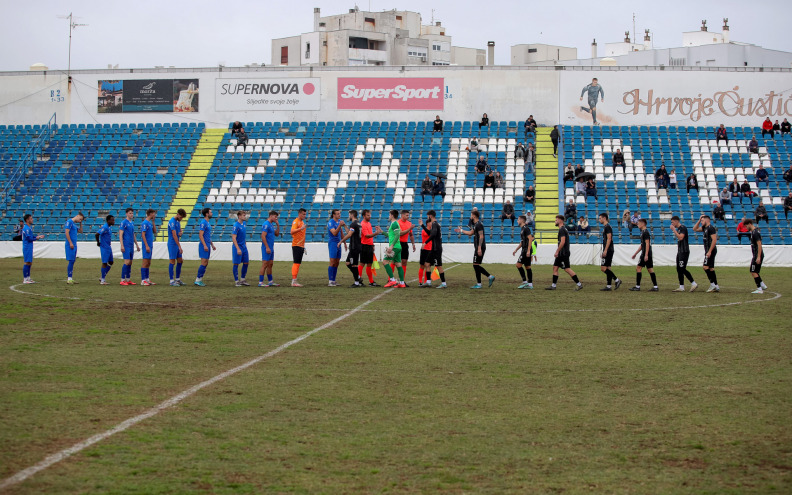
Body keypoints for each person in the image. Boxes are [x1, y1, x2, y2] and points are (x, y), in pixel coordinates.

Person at [457, 210, 494, 289]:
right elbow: (470, 233)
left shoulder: (479, 224)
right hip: (478, 247)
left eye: (471, 215)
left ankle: (484, 280)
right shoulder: (476, 225)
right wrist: (461, 230)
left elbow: (481, 236)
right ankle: (487, 278)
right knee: (476, 265)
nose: (470, 216)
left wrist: (479, 247)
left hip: (479, 247)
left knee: (475, 265)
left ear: (474, 216)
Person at [546, 215, 583, 290]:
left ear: (560, 221)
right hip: (562, 253)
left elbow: (562, 242)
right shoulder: (563, 229)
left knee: (567, 269)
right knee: (555, 267)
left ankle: (579, 284)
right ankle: (553, 285)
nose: (555, 221)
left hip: (563, 253)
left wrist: (557, 251)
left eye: (556, 220)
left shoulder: (562, 229)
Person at [629, 219, 658, 292]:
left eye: (638, 223)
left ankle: (637, 286)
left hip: (646, 253)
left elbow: (647, 243)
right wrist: (635, 253)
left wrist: (646, 255)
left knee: (638, 268)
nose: (637, 224)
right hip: (647, 253)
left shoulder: (645, 232)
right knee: (650, 269)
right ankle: (655, 286)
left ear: (643, 224)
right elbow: (642, 245)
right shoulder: (643, 232)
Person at [669, 216, 697, 292]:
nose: (671, 224)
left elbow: (681, 237)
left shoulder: (682, 228)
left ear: (676, 221)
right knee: (678, 268)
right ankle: (681, 286)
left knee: (682, 268)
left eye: (672, 222)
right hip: (680, 251)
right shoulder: (679, 229)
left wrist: (674, 230)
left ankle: (693, 283)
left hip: (684, 251)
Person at [420, 210, 446, 289]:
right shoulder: (436, 224)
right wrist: (423, 226)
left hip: (436, 249)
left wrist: (425, 243)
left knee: (438, 266)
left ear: (430, 216)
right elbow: (430, 233)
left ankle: (444, 283)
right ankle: (428, 282)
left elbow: (433, 235)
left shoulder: (434, 224)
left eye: (428, 216)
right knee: (427, 264)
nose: (427, 218)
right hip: (433, 248)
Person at [693, 215, 720, 293]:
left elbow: (714, 240)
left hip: (710, 251)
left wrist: (709, 251)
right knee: (711, 268)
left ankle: (712, 285)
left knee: (705, 267)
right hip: (708, 251)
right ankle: (716, 286)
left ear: (707, 220)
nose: (701, 222)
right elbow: (694, 229)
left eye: (702, 220)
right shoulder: (705, 228)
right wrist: (699, 220)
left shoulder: (711, 228)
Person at [337, 210, 363, 288]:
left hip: (354, 247)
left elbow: (349, 234)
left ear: (352, 215)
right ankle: (358, 277)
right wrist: (344, 225)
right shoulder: (358, 224)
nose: (349, 216)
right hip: (357, 246)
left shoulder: (353, 224)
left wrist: (341, 241)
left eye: (349, 214)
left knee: (354, 265)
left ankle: (357, 282)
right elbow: (350, 232)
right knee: (348, 263)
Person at [382, 209, 407, 289]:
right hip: (398, 247)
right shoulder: (394, 224)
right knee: (398, 264)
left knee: (385, 262)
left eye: (389, 215)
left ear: (392, 215)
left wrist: (391, 246)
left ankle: (392, 280)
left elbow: (397, 235)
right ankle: (402, 283)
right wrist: (382, 232)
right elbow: (391, 235)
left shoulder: (395, 224)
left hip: (395, 247)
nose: (389, 216)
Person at [597, 213, 621, 291]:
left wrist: (605, 250)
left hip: (608, 250)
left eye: (600, 218)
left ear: (604, 218)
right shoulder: (606, 227)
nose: (599, 220)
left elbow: (609, 239)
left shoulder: (607, 227)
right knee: (608, 268)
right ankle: (609, 286)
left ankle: (617, 280)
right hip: (609, 249)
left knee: (603, 268)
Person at [359, 209, 383, 287]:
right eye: (368, 215)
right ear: (364, 216)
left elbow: (370, 236)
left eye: (370, 215)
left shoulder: (369, 224)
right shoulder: (362, 224)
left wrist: (372, 245)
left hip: (369, 246)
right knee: (362, 263)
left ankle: (371, 281)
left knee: (369, 264)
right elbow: (367, 235)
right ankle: (358, 280)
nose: (369, 216)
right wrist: (376, 233)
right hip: (364, 246)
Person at [512, 215, 536, 289]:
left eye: (518, 220)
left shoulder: (526, 228)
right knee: (527, 267)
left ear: (522, 220)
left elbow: (530, 239)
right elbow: (522, 242)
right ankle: (530, 284)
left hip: (526, 250)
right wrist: (516, 249)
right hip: (524, 249)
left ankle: (525, 282)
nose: (517, 221)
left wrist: (528, 250)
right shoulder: (522, 229)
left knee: (518, 265)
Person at [118, 207, 141, 286]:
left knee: (130, 262)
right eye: (130, 213)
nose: (131, 214)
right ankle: (122, 280)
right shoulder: (124, 222)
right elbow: (120, 234)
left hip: (131, 245)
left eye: (132, 213)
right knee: (127, 262)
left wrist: (137, 245)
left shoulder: (132, 223)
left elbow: (133, 234)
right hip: (126, 245)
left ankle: (128, 279)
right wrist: (122, 245)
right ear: (126, 214)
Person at [258, 210, 280, 287]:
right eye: (275, 217)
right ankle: (260, 282)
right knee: (265, 264)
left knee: (270, 264)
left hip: (271, 247)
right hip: (266, 247)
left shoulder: (271, 225)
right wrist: (267, 247)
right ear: (271, 216)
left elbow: (277, 234)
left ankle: (270, 281)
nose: (276, 218)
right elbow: (263, 236)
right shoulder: (266, 224)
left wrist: (278, 225)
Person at [745, 219, 768, 294]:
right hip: (756, 254)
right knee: (755, 271)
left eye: (746, 226)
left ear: (749, 224)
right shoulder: (753, 232)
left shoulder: (755, 233)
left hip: (757, 255)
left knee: (753, 271)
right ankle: (762, 285)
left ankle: (759, 289)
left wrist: (758, 257)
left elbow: (759, 244)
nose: (746, 227)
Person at [195, 207, 216, 287]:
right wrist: (204, 245)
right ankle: (198, 280)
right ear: (207, 214)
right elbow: (200, 235)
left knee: (206, 263)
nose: (211, 213)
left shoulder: (207, 223)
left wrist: (212, 244)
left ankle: (199, 279)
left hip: (207, 244)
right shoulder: (203, 222)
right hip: (204, 245)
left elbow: (207, 236)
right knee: (203, 262)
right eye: (210, 212)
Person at [21, 213, 45, 283]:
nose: (32, 220)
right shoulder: (26, 229)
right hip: (27, 247)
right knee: (27, 262)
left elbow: (32, 237)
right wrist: (37, 238)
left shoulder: (29, 228)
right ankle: (25, 279)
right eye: (31, 218)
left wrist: (38, 237)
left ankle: (28, 278)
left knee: (30, 263)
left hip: (29, 247)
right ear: (27, 220)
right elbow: (29, 238)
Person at [394, 210, 415, 286]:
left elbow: (411, 235)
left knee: (404, 262)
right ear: (402, 215)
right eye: (406, 215)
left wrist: (413, 244)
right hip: (398, 243)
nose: (408, 216)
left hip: (405, 244)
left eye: (408, 215)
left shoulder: (409, 223)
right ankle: (390, 279)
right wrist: (409, 229)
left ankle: (402, 280)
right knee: (394, 261)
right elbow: (400, 233)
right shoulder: (398, 223)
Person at [167, 208, 187, 286]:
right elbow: (174, 234)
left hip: (176, 244)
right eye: (181, 217)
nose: (181, 219)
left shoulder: (178, 222)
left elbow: (179, 231)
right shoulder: (172, 221)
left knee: (180, 261)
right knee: (172, 261)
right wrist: (179, 246)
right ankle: (171, 281)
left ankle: (178, 280)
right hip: (172, 244)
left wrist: (181, 232)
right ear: (178, 214)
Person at [326, 209, 346, 287]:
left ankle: (333, 280)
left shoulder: (339, 221)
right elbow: (334, 233)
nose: (339, 215)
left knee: (337, 262)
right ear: (333, 215)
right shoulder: (330, 222)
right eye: (337, 214)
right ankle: (330, 281)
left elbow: (341, 232)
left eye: (339, 213)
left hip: (338, 243)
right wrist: (340, 226)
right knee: (332, 261)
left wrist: (344, 242)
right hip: (333, 243)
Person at [231, 210, 250, 287]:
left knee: (246, 262)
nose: (244, 216)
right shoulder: (236, 225)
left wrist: (244, 243)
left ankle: (242, 279)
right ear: (239, 216)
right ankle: (236, 281)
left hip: (243, 247)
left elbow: (242, 235)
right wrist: (238, 248)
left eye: (245, 215)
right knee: (236, 263)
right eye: (243, 215)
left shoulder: (244, 224)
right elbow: (234, 237)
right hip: (237, 247)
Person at [64, 212, 84, 284]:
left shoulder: (74, 224)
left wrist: (81, 223)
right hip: (70, 244)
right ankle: (69, 278)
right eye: (80, 219)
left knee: (73, 261)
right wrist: (70, 243)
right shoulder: (69, 222)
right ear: (77, 216)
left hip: (74, 244)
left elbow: (81, 231)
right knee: (71, 261)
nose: (80, 220)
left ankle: (70, 278)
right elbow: (66, 232)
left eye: (81, 220)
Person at [290, 208, 308, 287]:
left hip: (300, 245)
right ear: (299, 214)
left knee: (298, 263)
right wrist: (301, 228)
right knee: (296, 263)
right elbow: (292, 231)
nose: (305, 215)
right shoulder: (296, 221)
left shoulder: (302, 222)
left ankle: (295, 280)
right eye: (303, 214)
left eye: (305, 214)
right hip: (296, 245)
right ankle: (294, 281)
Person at [95, 215, 114, 285]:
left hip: (108, 247)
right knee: (105, 263)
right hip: (104, 247)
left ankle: (102, 277)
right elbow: (97, 234)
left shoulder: (109, 227)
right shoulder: (105, 227)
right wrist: (98, 242)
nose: (113, 221)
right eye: (112, 220)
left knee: (111, 262)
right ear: (108, 220)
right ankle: (103, 280)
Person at [140, 209, 156, 286]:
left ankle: (147, 279)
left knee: (148, 262)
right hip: (146, 245)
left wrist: (153, 222)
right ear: (150, 214)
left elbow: (155, 231)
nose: (155, 215)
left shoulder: (149, 223)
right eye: (154, 214)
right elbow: (143, 234)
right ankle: (143, 280)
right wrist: (146, 245)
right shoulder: (145, 223)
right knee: (145, 262)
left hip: (150, 245)